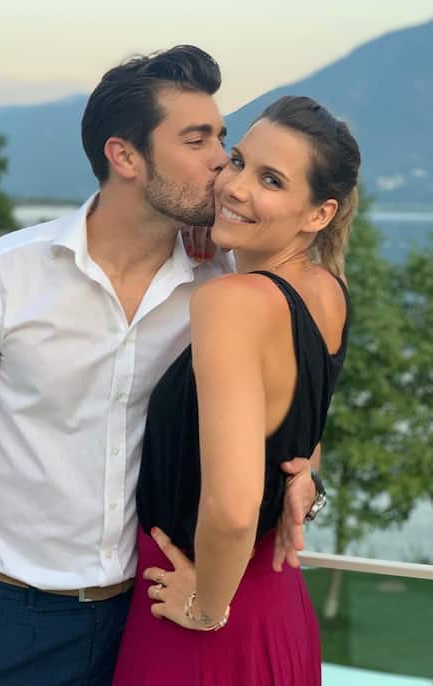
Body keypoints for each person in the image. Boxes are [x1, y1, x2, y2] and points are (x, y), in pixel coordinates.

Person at [0, 47, 316, 685]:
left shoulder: (226, 289)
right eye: (197, 140)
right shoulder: (0, 277)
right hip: (6, 616)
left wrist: (308, 475)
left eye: (221, 138)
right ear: (125, 157)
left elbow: (293, 404)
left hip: (153, 614)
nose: (222, 161)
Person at [112, 94, 360, 685]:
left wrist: (205, 609)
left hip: (197, 614)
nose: (236, 186)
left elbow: (231, 508)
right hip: (278, 607)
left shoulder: (230, 302)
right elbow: (297, 429)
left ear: (319, 214)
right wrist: (308, 477)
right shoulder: (328, 290)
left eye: (271, 180)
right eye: (240, 162)